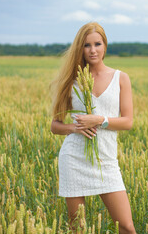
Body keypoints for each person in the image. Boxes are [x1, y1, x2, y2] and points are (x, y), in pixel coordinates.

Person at [50, 22, 136, 234]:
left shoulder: (120, 78)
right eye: (86, 45)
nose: (92, 50)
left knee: (126, 226)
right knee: (77, 227)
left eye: (97, 44)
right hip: (74, 158)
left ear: (105, 45)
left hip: (106, 160)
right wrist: (75, 128)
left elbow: (128, 121)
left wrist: (99, 120)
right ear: (80, 48)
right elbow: (55, 125)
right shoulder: (71, 81)